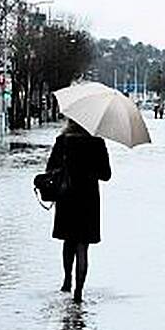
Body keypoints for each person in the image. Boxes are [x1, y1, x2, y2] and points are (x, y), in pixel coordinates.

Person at [46, 119, 111, 303]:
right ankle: (79, 292)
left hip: (67, 197)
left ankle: (67, 280)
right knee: (83, 246)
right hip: (88, 199)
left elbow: (50, 168)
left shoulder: (63, 141)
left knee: (68, 241)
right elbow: (106, 174)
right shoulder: (97, 143)